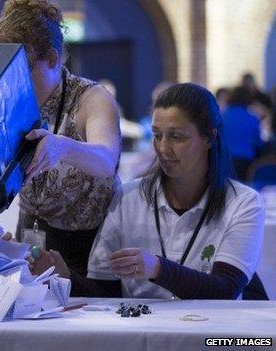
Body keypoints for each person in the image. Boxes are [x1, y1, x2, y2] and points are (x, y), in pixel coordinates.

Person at [32, 83, 265, 299]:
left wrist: (158, 268)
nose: (163, 148)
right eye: (157, 135)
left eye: (176, 137)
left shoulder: (243, 203)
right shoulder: (128, 197)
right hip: (142, 338)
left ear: (209, 139)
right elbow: (106, 292)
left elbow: (225, 289)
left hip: (210, 336)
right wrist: (66, 278)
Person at [0, 0, 120, 276]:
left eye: (22, 72)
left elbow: (107, 160)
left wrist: (62, 146)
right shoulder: (9, 101)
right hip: (31, 239)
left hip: (90, 249)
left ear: (52, 59)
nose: (13, 85)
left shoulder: (91, 98)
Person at [222, 86, 264, 181]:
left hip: (224, 160)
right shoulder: (253, 119)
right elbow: (258, 144)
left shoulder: (221, 116)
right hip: (246, 163)